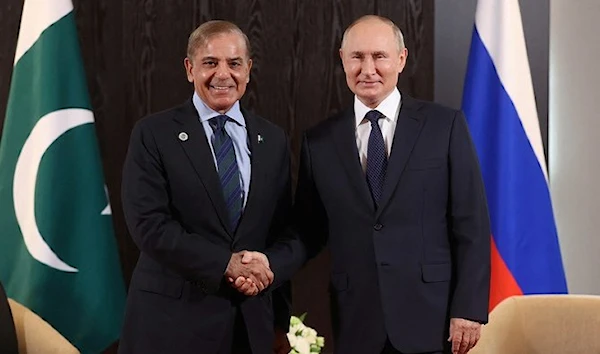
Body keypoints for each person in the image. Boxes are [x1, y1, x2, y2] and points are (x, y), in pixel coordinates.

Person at [245, 14, 491, 354]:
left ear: (401, 60)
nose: (368, 68)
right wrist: (268, 264)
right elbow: (307, 231)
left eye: (379, 56)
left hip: (432, 319)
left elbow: (471, 224)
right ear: (343, 60)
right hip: (356, 321)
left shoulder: (443, 126)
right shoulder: (319, 141)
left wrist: (468, 309)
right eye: (357, 57)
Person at [119, 20, 292, 354]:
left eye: (234, 63)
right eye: (210, 63)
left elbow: (280, 231)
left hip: (249, 327)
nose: (223, 74)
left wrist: (279, 323)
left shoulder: (272, 139)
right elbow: (149, 226)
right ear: (190, 69)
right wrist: (225, 263)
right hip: (171, 328)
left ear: (248, 69)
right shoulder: (154, 134)